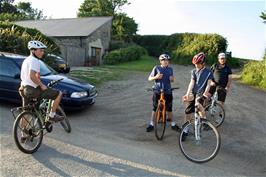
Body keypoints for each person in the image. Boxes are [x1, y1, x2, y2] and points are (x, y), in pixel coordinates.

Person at [19, 40, 63, 142]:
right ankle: (51, 116)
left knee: (26, 112)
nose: (42, 52)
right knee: (58, 94)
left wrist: (39, 81)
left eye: (43, 51)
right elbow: (32, 76)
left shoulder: (27, 60)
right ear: (33, 51)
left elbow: (36, 76)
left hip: (23, 88)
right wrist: (42, 85)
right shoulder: (35, 61)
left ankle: (23, 135)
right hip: (31, 90)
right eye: (40, 50)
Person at [182, 52, 214, 141]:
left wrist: (206, 92)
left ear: (203, 63)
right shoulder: (193, 71)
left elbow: (209, 84)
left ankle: (204, 122)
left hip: (201, 93)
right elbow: (192, 83)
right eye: (195, 64)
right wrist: (187, 94)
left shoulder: (208, 72)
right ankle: (185, 130)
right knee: (188, 112)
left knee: (199, 106)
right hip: (193, 92)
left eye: (198, 64)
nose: (196, 66)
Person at [146, 54, 180, 132]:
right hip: (157, 90)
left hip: (167, 90)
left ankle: (173, 124)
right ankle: (151, 123)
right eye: (164, 60)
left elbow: (172, 80)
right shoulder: (156, 68)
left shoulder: (170, 69)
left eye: (167, 60)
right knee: (155, 108)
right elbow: (149, 78)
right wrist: (156, 77)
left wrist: (172, 79)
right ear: (160, 61)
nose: (166, 62)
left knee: (169, 109)